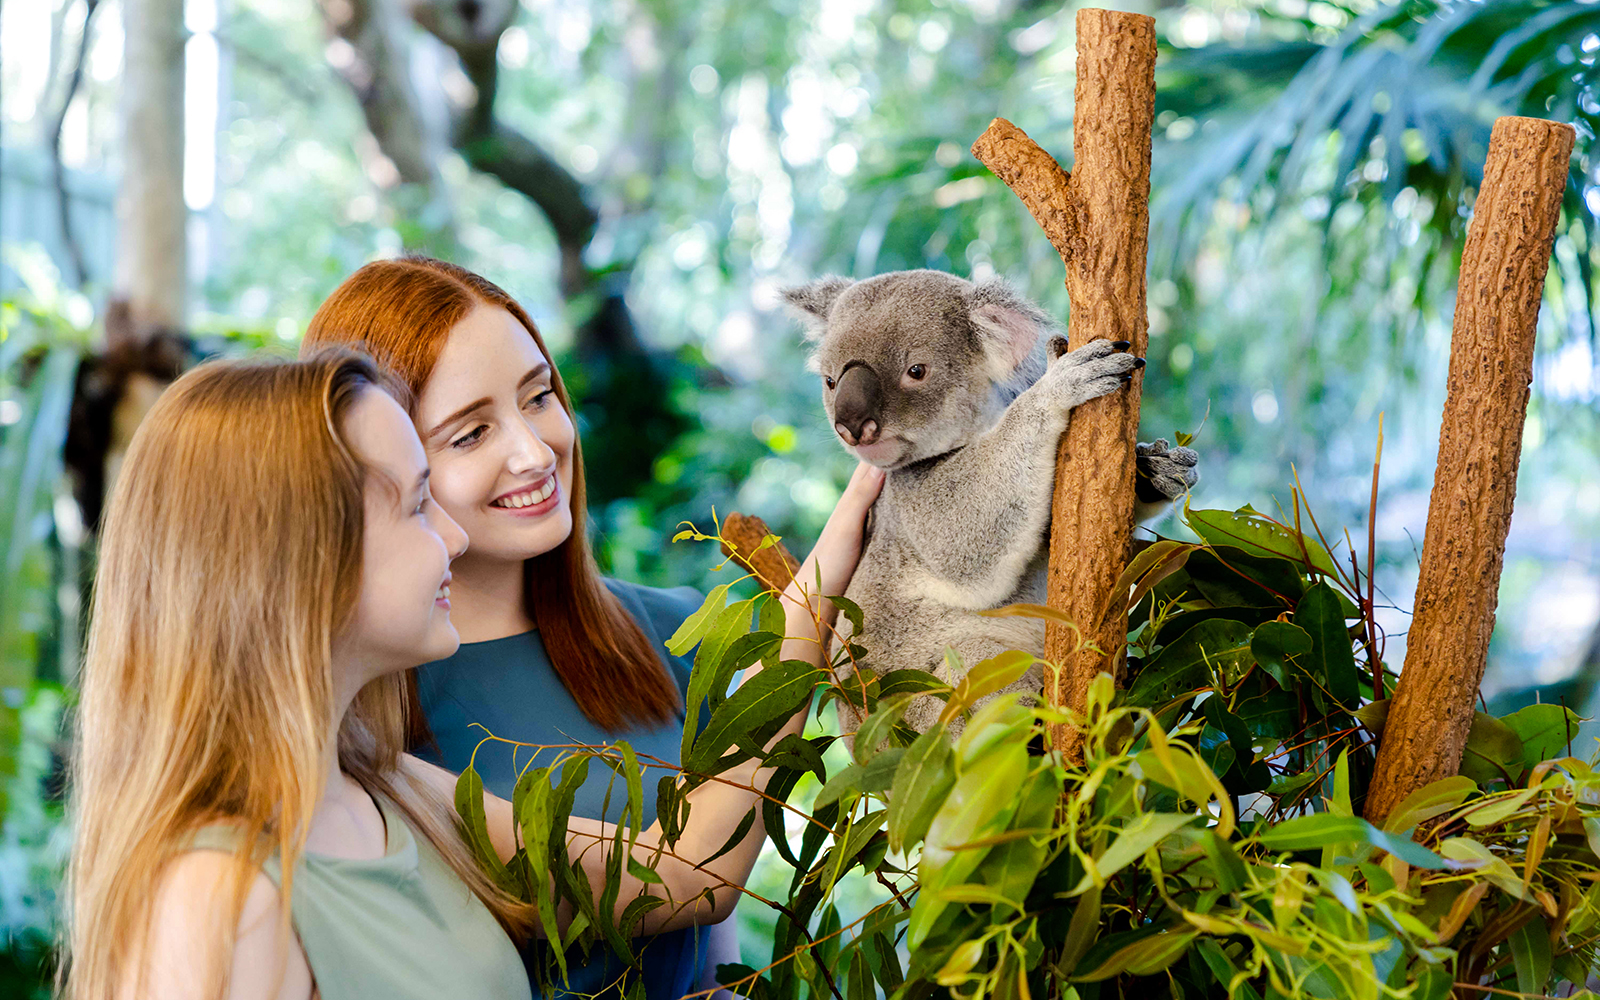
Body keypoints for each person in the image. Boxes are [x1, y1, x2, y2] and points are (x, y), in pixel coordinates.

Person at [60, 349, 883, 999]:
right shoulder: (213, 896)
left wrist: (822, 581)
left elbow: (682, 875)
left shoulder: (392, 791)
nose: (452, 538)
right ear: (309, 561)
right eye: (420, 505)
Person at [300, 256, 794, 997]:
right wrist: (804, 641)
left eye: (538, 398)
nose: (536, 452)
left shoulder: (681, 633)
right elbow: (688, 877)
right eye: (469, 435)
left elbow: (705, 952)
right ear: (380, 467)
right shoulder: (350, 720)